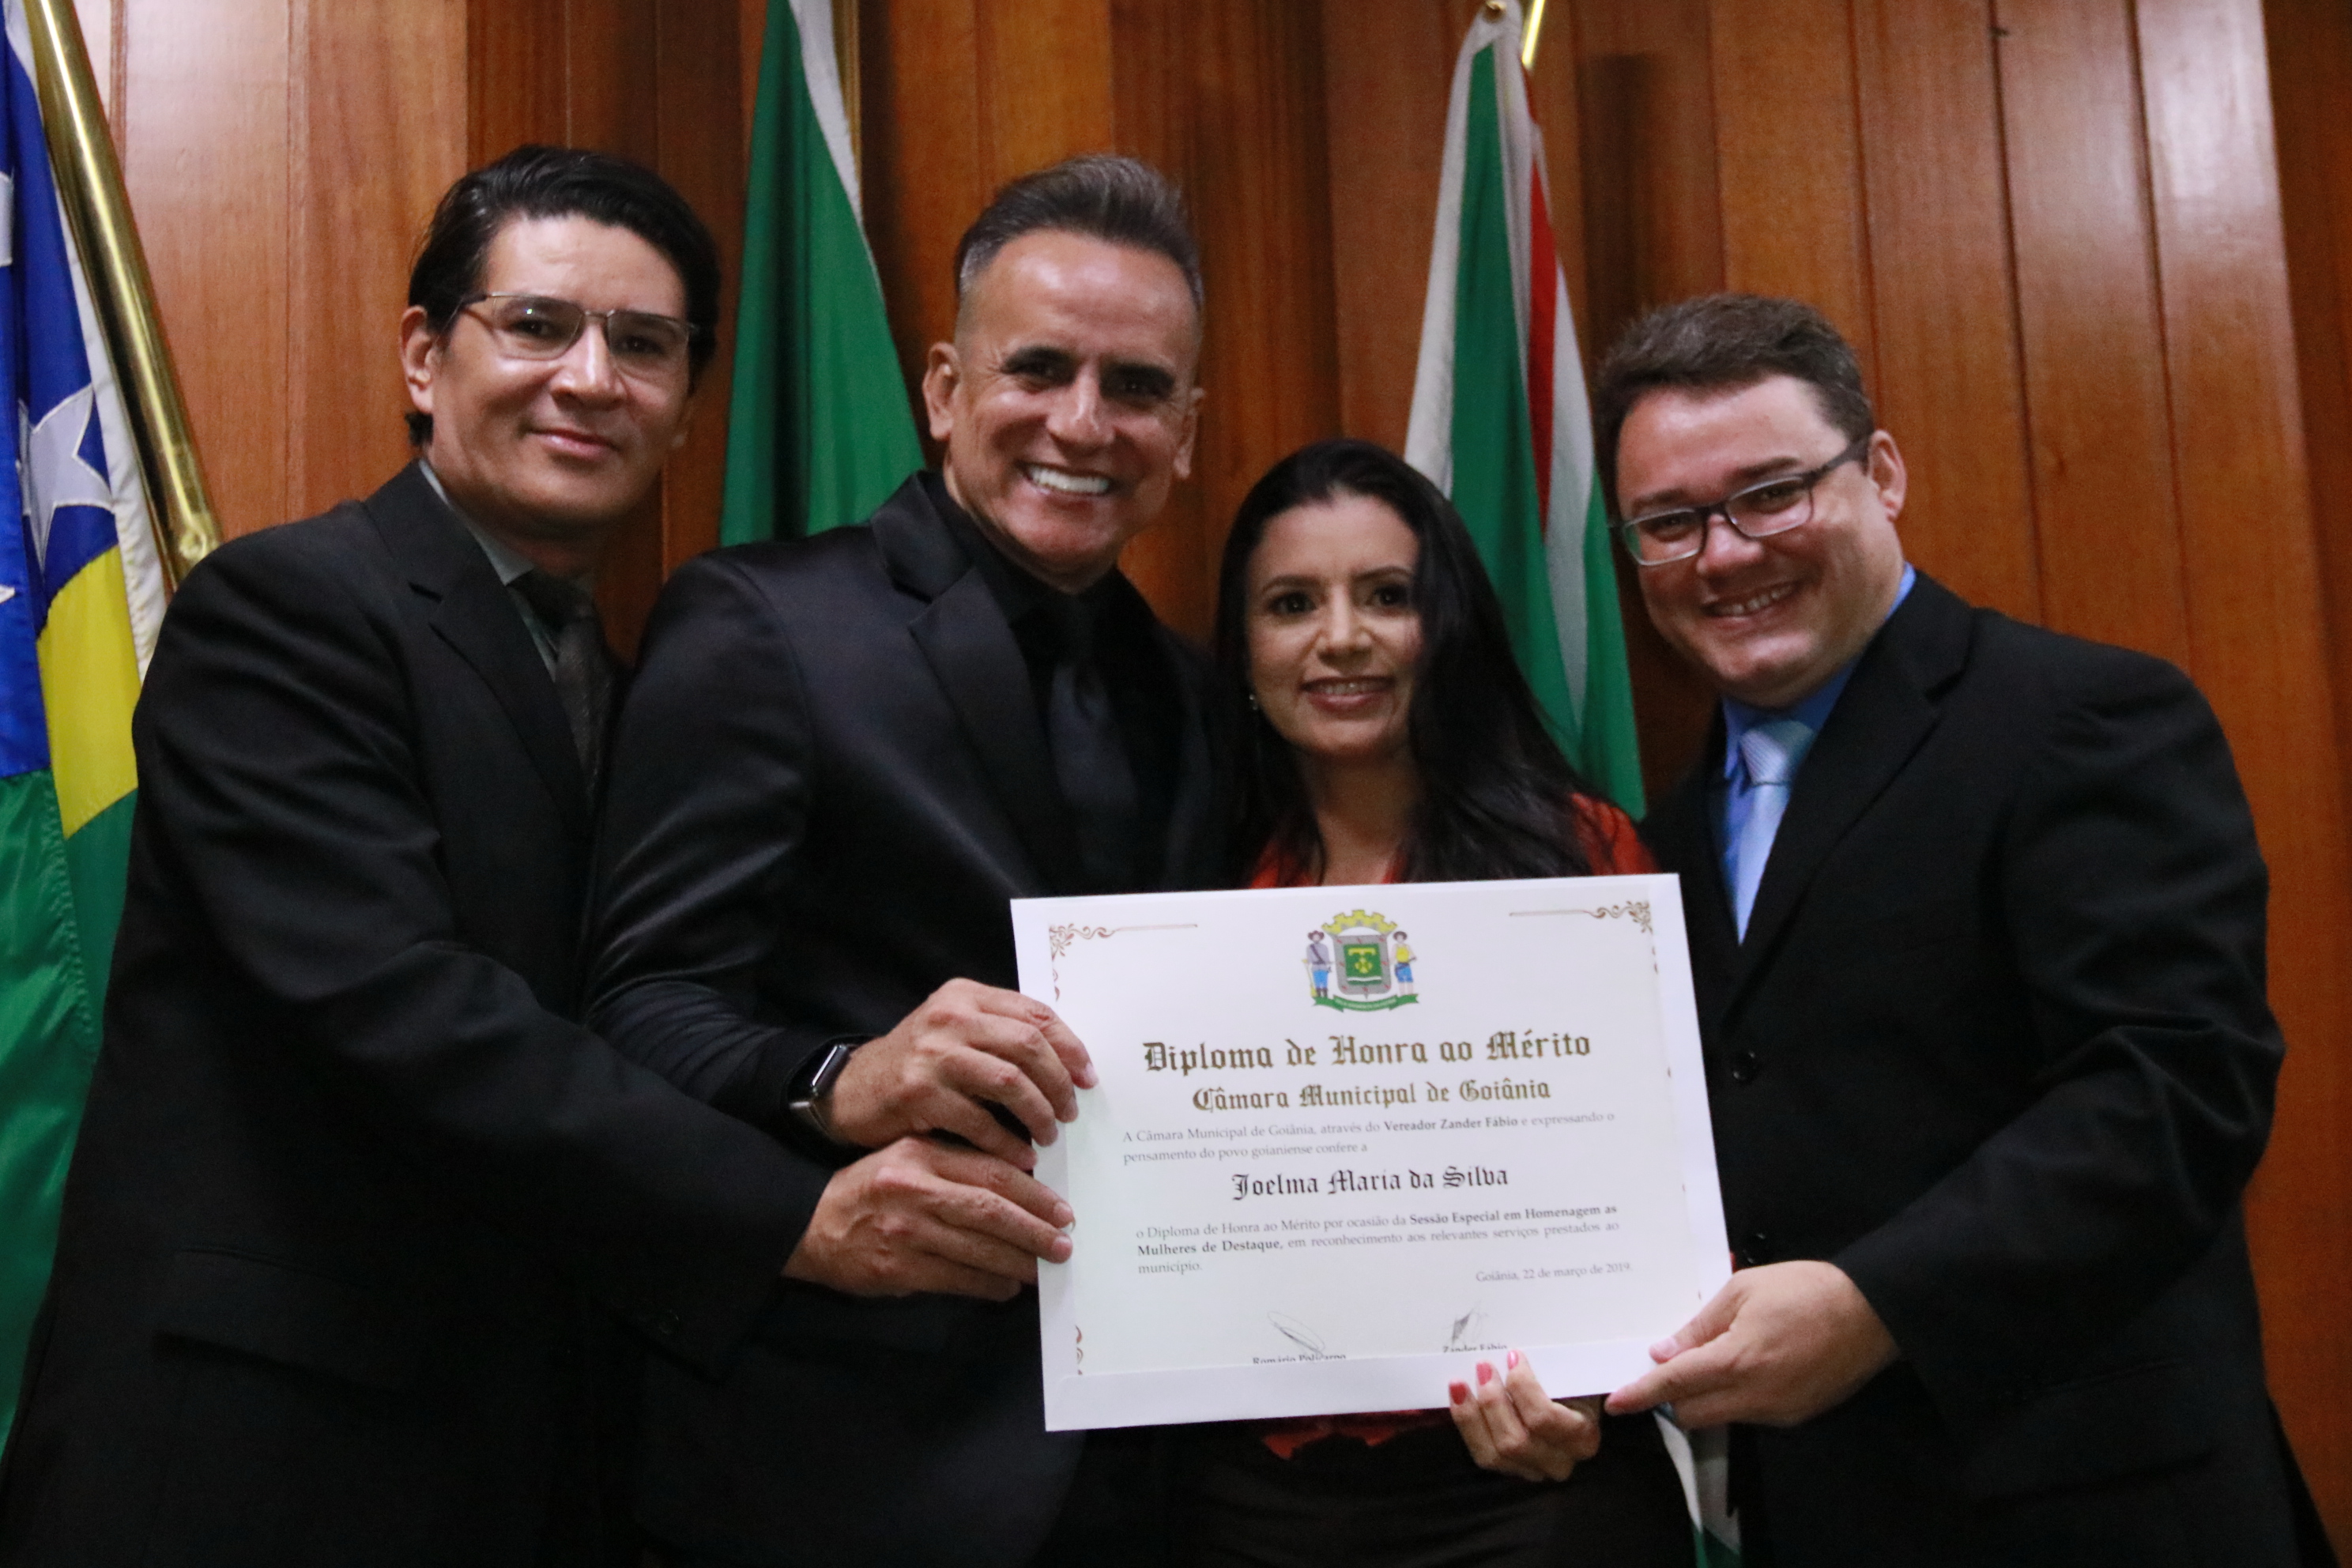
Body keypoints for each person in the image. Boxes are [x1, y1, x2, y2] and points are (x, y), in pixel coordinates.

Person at [0, 146, 813, 1567]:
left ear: (688, 406)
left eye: (644, 345)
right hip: (251, 1461)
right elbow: (404, 1007)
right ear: (426, 358)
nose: (590, 378)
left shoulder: (636, 689)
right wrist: (790, 1216)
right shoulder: (286, 612)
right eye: (539, 325)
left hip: (504, 1454)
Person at [1589, 293, 2331, 1566]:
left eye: (1771, 494)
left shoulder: (2083, 717)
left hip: (2097, 1518)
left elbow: (2175, 1086)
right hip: (1825, 1519)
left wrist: (1877, 1303)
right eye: (1671, 522)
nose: (1723, 554)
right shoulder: (1653, 840)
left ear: (1881, 474)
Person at [585, 155, 1222, 1566]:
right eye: (1037, 368)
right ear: (943, 389)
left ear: (1186, 431)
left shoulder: (1203, 693)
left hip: (1153, 1473)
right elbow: (632, 1008)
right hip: (835, 1468)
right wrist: (837, 1077)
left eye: (1135, 388)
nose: (1082, 422)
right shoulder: (762, 626)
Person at [1170, 437, 1690, 1567]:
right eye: (1292, 603)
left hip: (1534, 1481)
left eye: (1388, 596)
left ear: (1444, 625)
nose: (1341, 637)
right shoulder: (1185, 888)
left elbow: (1646, 1183)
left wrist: (1596, 1375)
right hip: (1251, 1493)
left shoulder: (1578, 859)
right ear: (1244, 649)